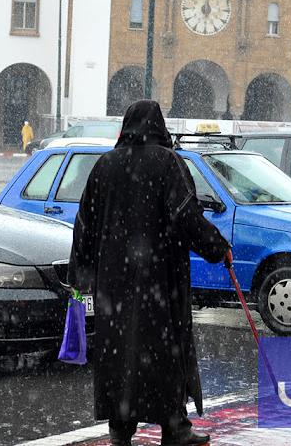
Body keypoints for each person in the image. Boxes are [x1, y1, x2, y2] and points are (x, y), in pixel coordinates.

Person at [69, 100, 230, 446]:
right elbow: (187, 218)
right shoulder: (167, 163)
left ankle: (119, 431)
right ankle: (174, 427)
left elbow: (83, 227)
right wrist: (218, 248)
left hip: (113, 284)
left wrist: (80, 281)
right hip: (160, 280)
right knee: (164, 354)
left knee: (118, 357)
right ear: (158, 126)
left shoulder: (104, 166)